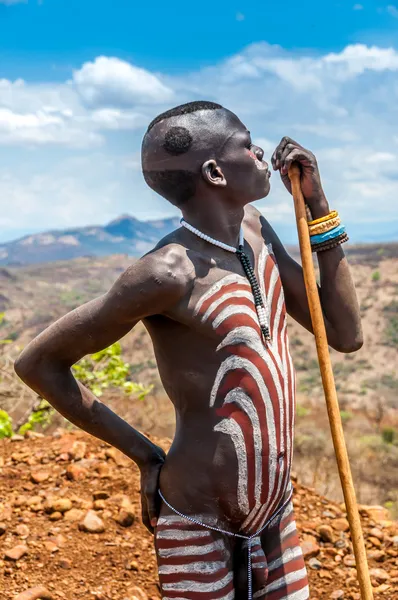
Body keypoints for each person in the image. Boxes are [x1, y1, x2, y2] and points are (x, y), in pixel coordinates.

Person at [15, 101, 363, 600]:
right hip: (198, 518)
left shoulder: (257, 232)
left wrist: (317, 205)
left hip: (275, 512)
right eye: (247, 143)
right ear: (215, 172)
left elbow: (344, 334)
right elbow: (39, 363)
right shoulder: (166, 274)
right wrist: (143, 454)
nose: (261, 150)